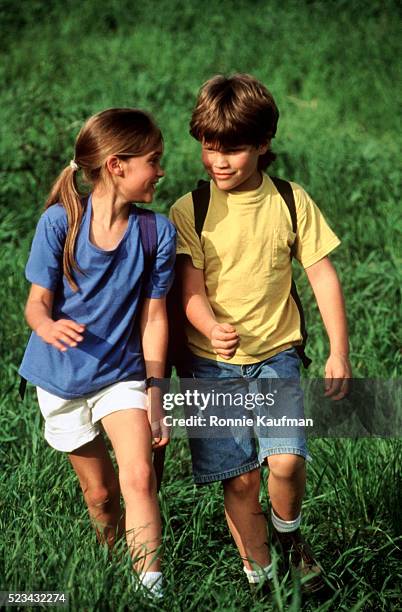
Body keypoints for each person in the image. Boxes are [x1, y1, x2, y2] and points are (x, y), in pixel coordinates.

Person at [169, 74, 352, 592]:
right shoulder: (192, 208)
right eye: (209, 147)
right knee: (242, 476)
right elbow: (189, 286)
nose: (219, 161)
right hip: (210, 364)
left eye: (234, 149)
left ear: (264, 144)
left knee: (287, 460)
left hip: (276, 355)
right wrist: (207, 323)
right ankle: (262, 577)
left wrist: (339, 350)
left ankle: (289, 534)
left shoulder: (290, 200)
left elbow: (321, 274)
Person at [19, 108, 176, 599]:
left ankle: (151, 591)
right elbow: (35, 305)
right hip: (60, 379)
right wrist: (47, 325)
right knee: (102, 496)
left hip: (121, 375)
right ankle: (112, 571)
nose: (161, 171)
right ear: (116, 165)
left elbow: (153, 319)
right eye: (153, 161)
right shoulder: (59, 222)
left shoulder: (156, 233)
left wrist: (156, 395)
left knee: (138, 476)